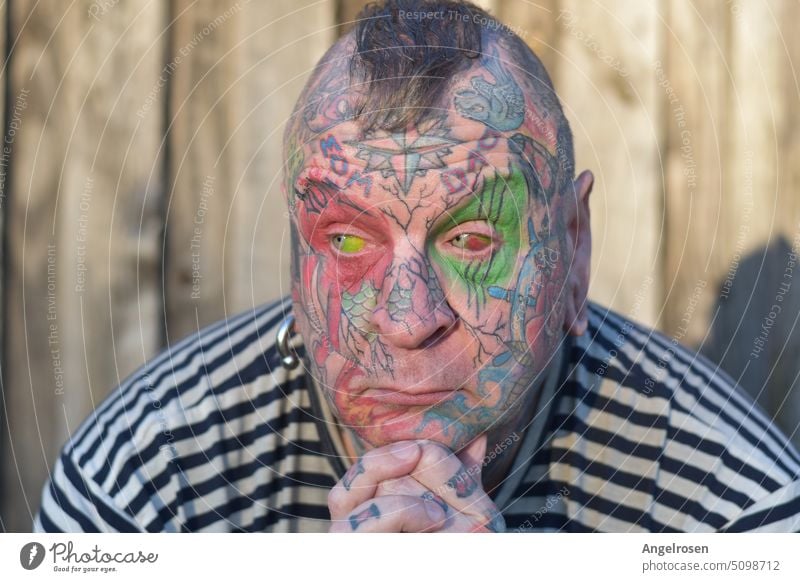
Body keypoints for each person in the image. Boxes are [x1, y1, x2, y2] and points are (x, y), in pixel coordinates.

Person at [36, 0, 800, 533]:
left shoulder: (736, 514)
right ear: (299, 248)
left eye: (471, 241)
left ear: (573, 248)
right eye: (346, 240)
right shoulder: (140, 487)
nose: (407, 322)